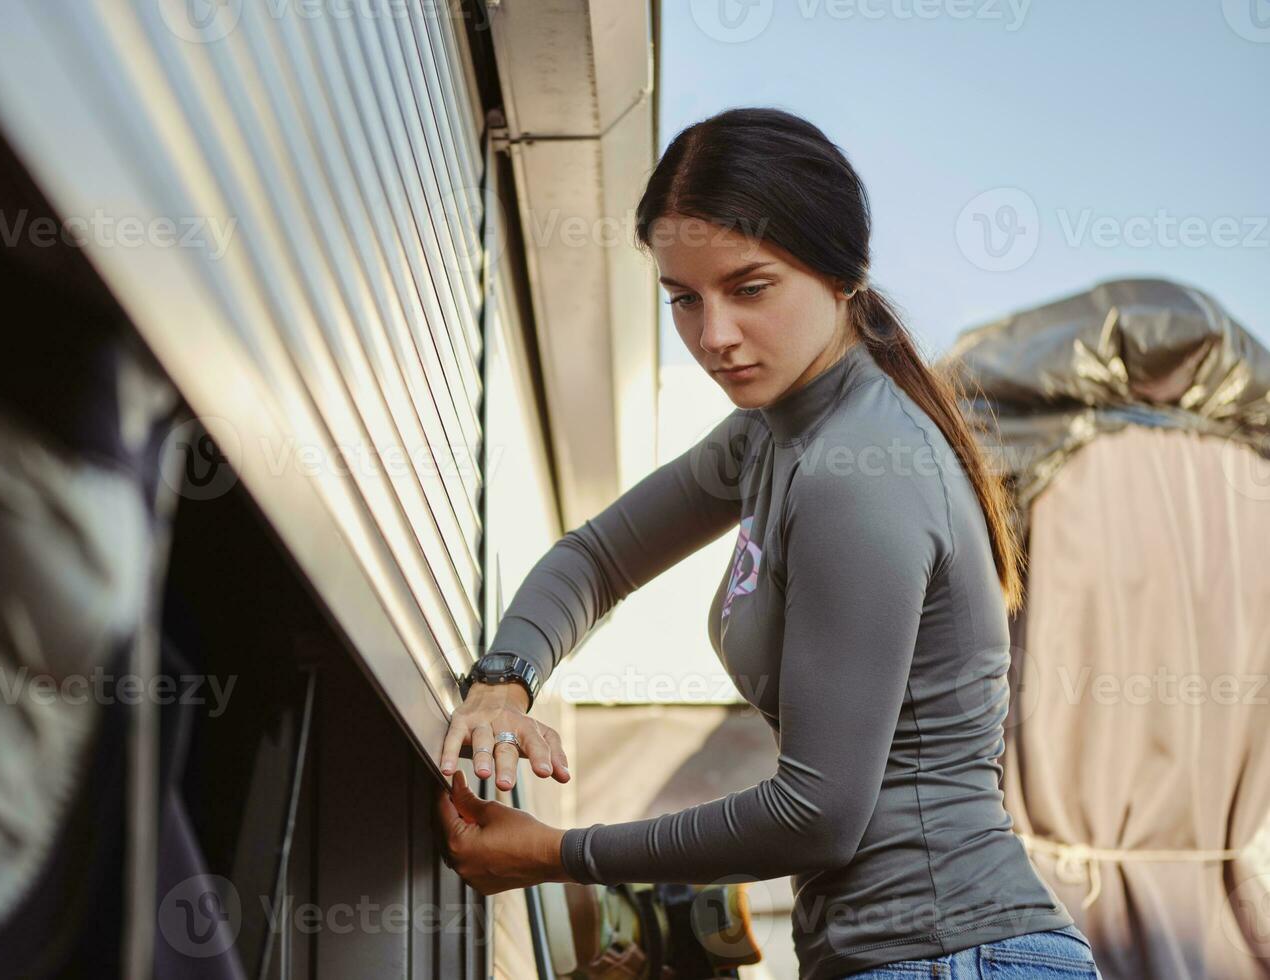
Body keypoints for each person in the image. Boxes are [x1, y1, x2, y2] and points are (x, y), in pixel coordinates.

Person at [435, 107, 1102, 980]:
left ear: (841, 272)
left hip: (955, 955)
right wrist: (503, 681)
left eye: (750, 288)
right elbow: (597, 558)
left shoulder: (857, 471)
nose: (714, 336)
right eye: (683, 297)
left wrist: (558, 853)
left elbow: (816, 813)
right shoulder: (773, 432)